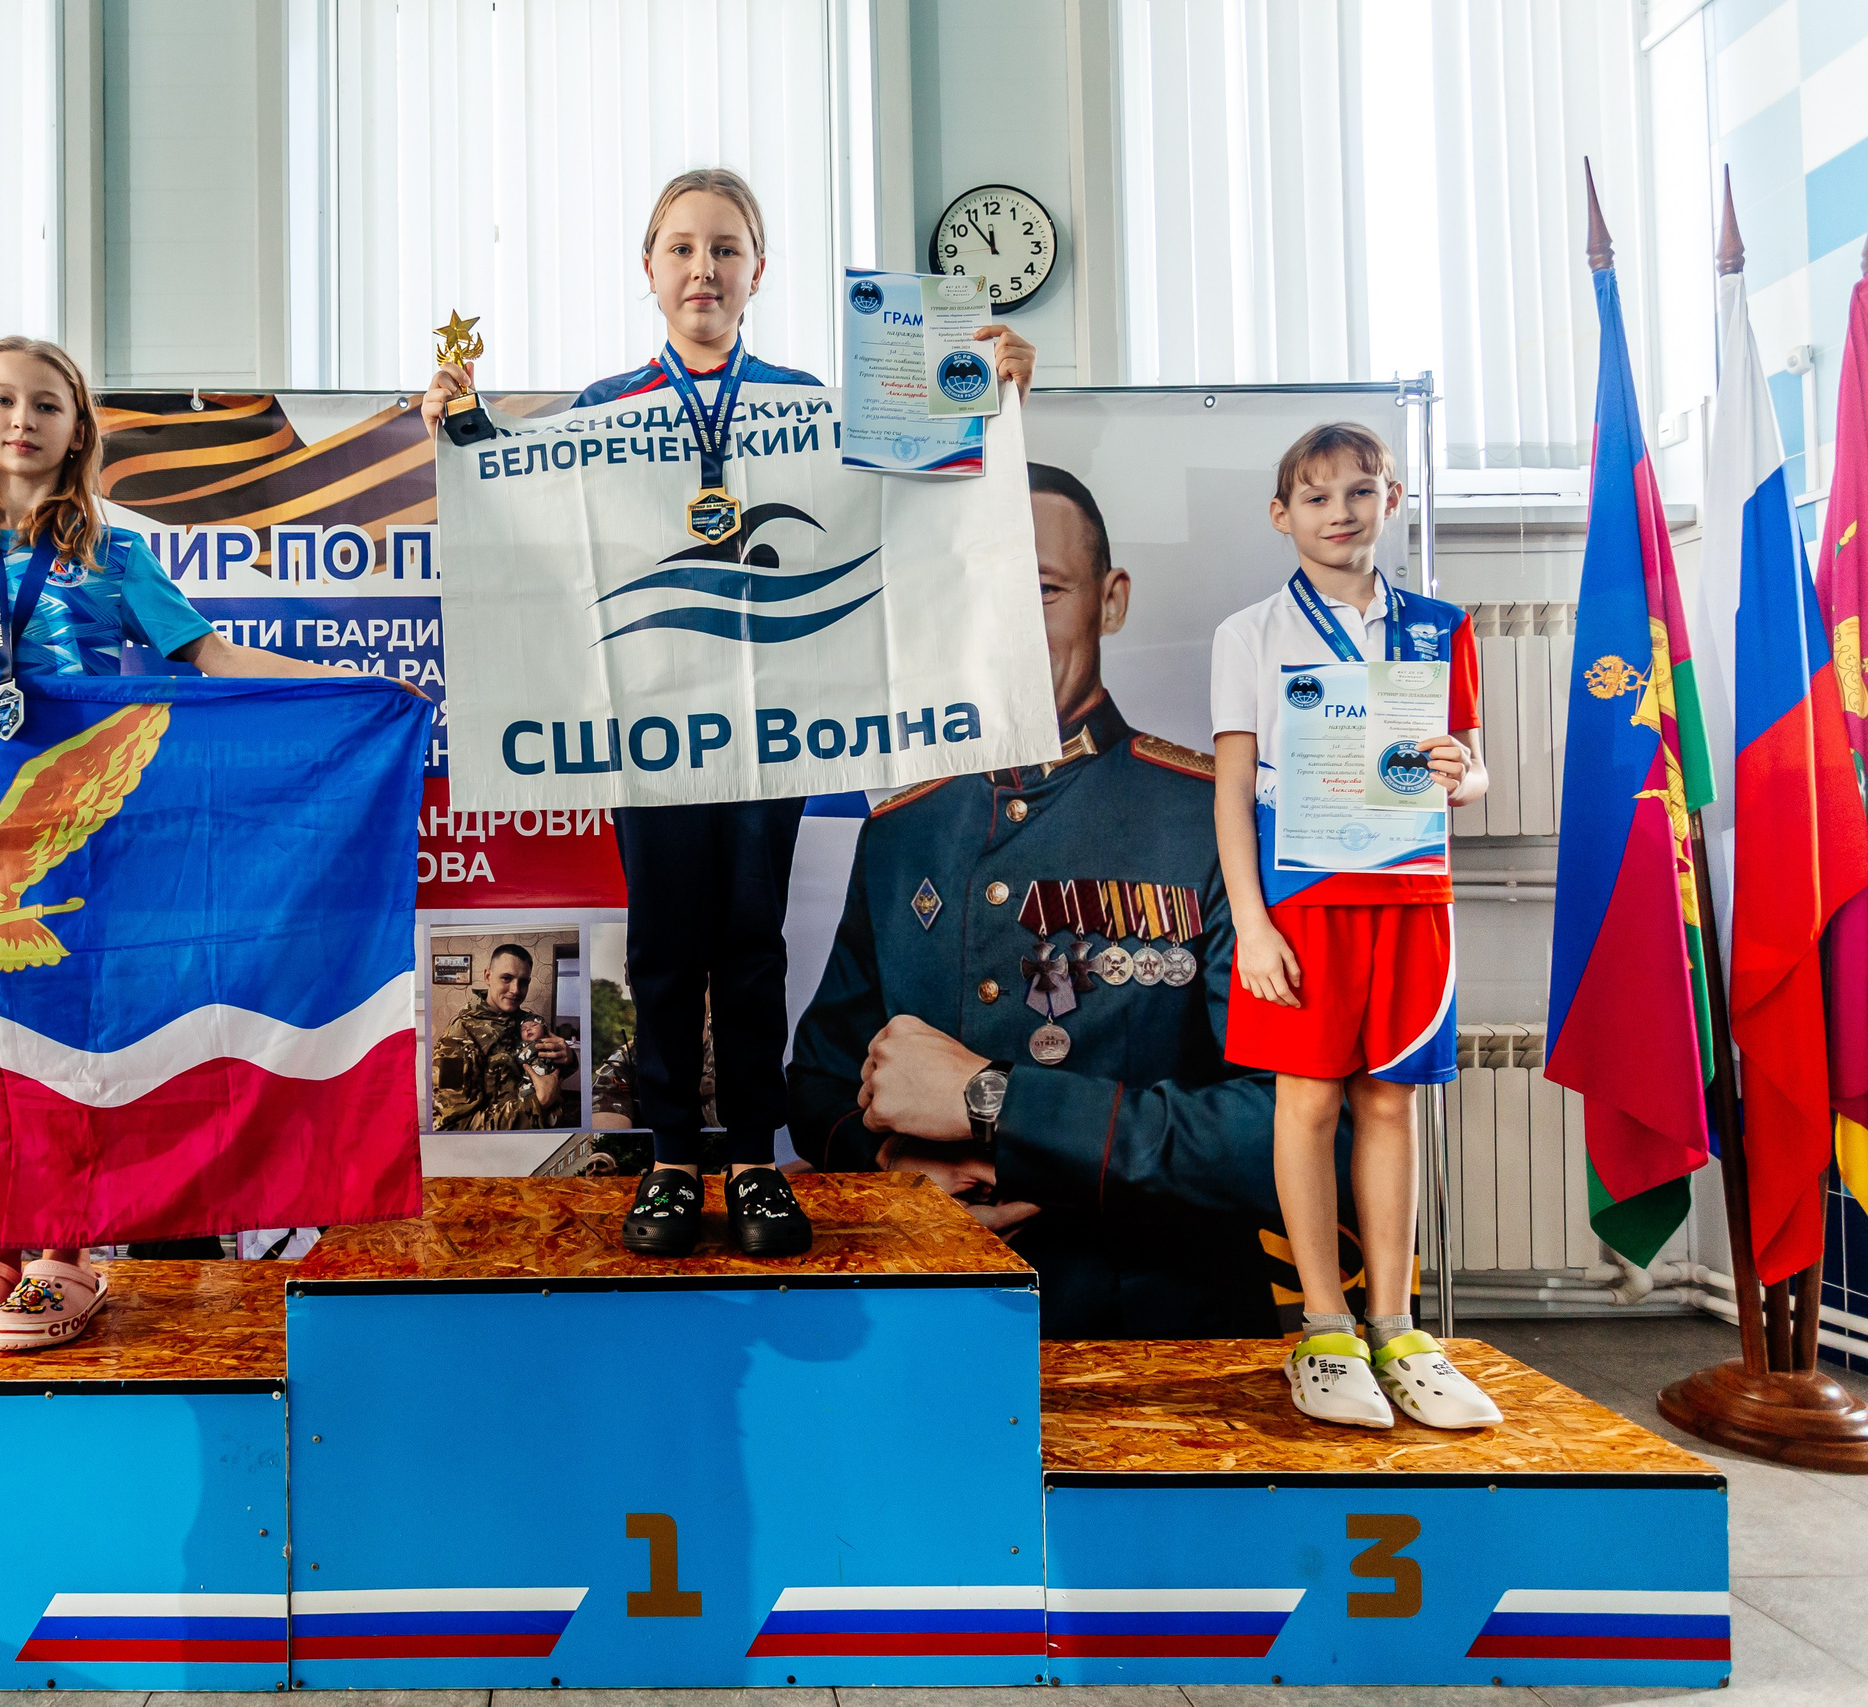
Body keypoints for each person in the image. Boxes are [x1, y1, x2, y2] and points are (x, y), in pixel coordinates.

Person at [421, 167, 1035, 1260]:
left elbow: (925, 486)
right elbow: (524, 520)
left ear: (758, 271)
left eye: (725, 248)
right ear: (648, 268)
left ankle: (752, 1156)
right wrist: (463, 433)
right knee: (664, 947)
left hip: (768, 726)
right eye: (682, 248)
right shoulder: (605, 408)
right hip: (650, 731)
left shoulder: (808, 401)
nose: (702, 268)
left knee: (750, 944)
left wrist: (985, 391)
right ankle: (668, 1160)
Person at [0, 333, 332, 1352]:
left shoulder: (115, 558)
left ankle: (66, 1254)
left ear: (77, 430)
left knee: (66, 1049)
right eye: (4, 400)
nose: (22, 419)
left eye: (46, 404)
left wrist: (348, 690)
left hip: (73, 849)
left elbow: (210, 655)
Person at [788, 464, 1295, 1337]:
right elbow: (819, 1082)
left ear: (1112, 600)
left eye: (1044, 591)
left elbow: (1287, 1128)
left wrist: (995, 1101)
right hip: (937, 1323)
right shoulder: (904, 829)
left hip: (1157, 1333)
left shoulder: (1216, 819)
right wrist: (892, 1162)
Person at [1212, 421, 1497, 1429]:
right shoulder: (1249, 633)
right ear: (1281, 514)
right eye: (1317, 496)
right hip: (1302, 902)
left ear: (1393, 499)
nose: (1340, 512)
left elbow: (1469, 765)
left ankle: (1395, 1326)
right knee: (1306, 1104)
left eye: (1360, 492)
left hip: (1411, 898)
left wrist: (1465, 774)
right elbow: (1231, 791)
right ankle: (1325, 1327)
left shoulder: (1440, 627)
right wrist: (1251, 925)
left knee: (1389, 1103)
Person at [432, 943, 578, 1130]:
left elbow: (547, 1068)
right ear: (488, 976)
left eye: (523, 982)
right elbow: (452, 1126)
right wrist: (537, 1103)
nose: (515, 989)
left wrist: (568, 1058)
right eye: (506, 978)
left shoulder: (528, 1022)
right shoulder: (457, 1038)